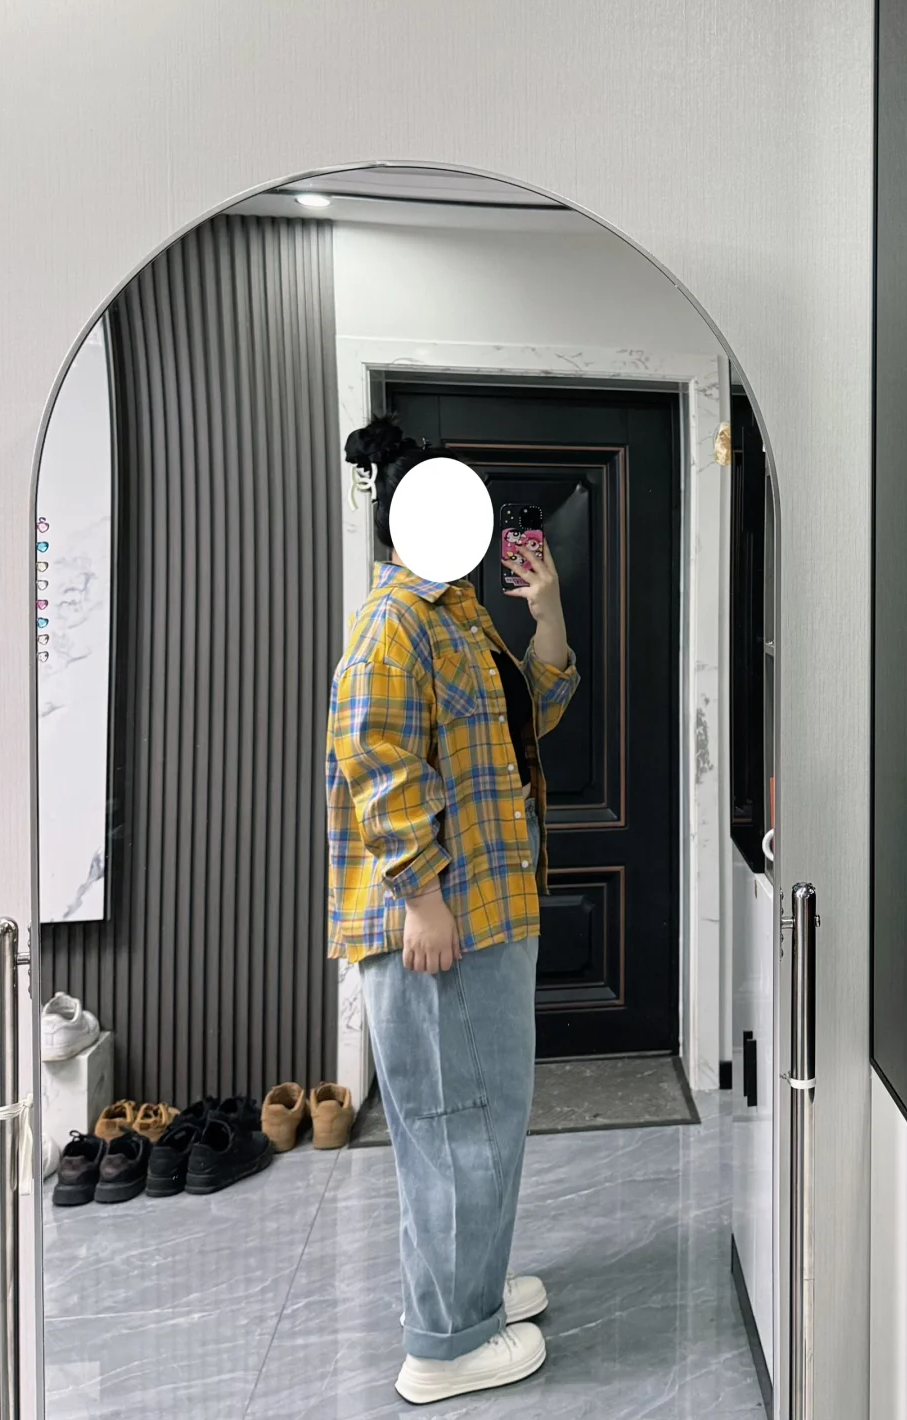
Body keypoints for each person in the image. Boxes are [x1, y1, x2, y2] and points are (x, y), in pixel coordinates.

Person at [326, 416, 579, 1405]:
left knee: (487, 1117)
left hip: (489, 909)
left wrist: (546, 612)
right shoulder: (394, 623)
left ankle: (473, 1292)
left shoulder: (459, 619)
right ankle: (443, 1346)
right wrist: (422, 895)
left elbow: (529, 720)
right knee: (451, 1126)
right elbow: (374, 758)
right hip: (444, 920)